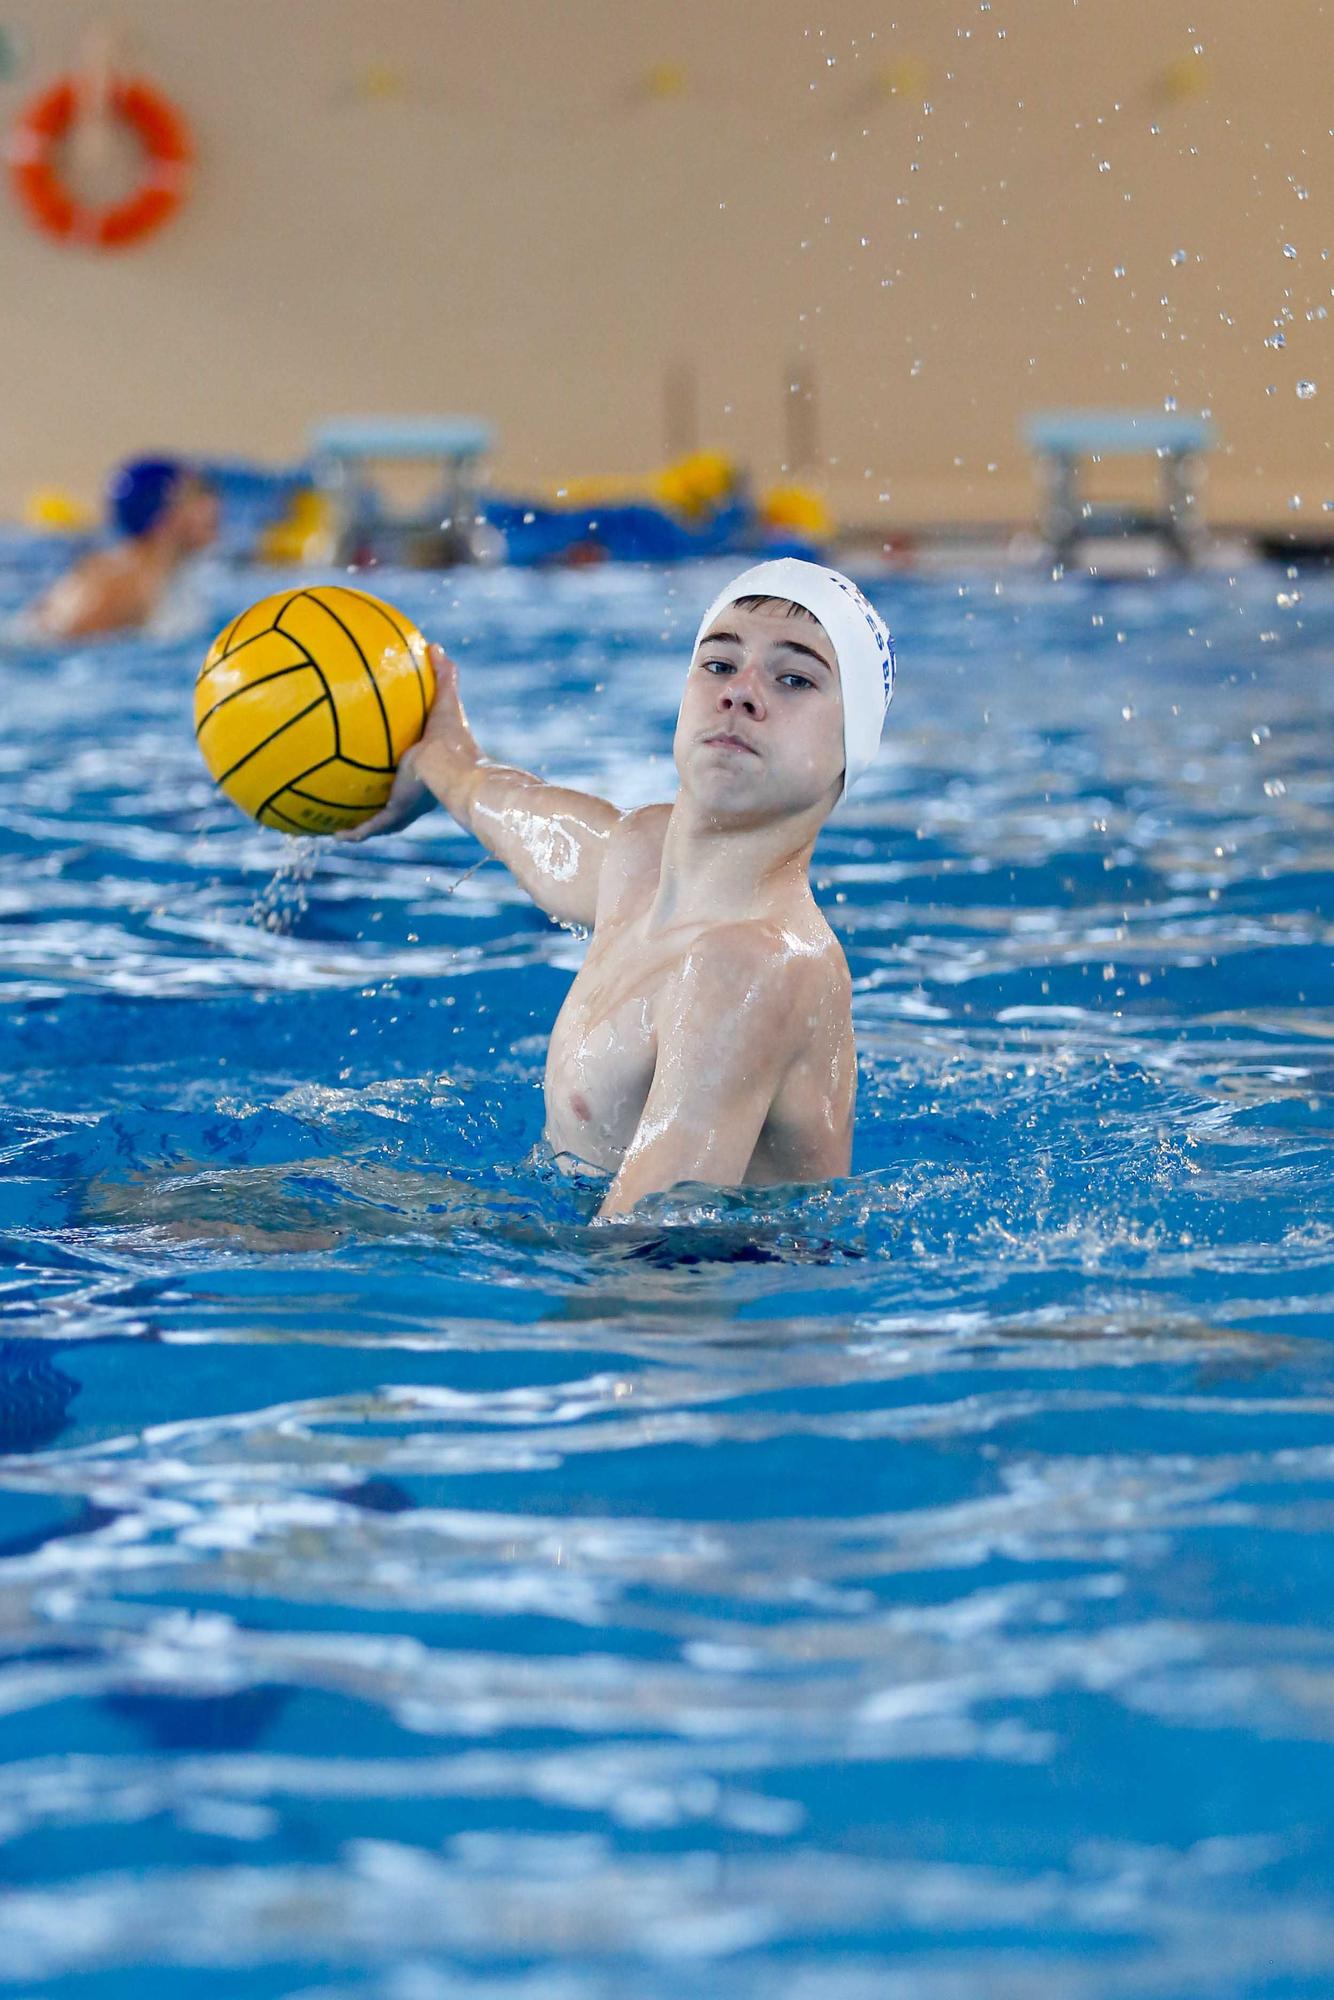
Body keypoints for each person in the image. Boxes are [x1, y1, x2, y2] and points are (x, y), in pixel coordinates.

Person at [343, 559, 896, 1222]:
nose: (741, 693)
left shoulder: (755, 967)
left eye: (794, 678)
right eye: (719, 665)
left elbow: (641, 1262)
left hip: (720, 1298)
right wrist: (441, 762)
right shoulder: (639, 862)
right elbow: (522, 816)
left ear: (851, 744)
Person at [31, 457, 218, 640]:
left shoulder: (154, 576)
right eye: (196, 496)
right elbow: (64, 647)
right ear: (162, 514)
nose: (213, 506)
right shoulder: (121, 585)